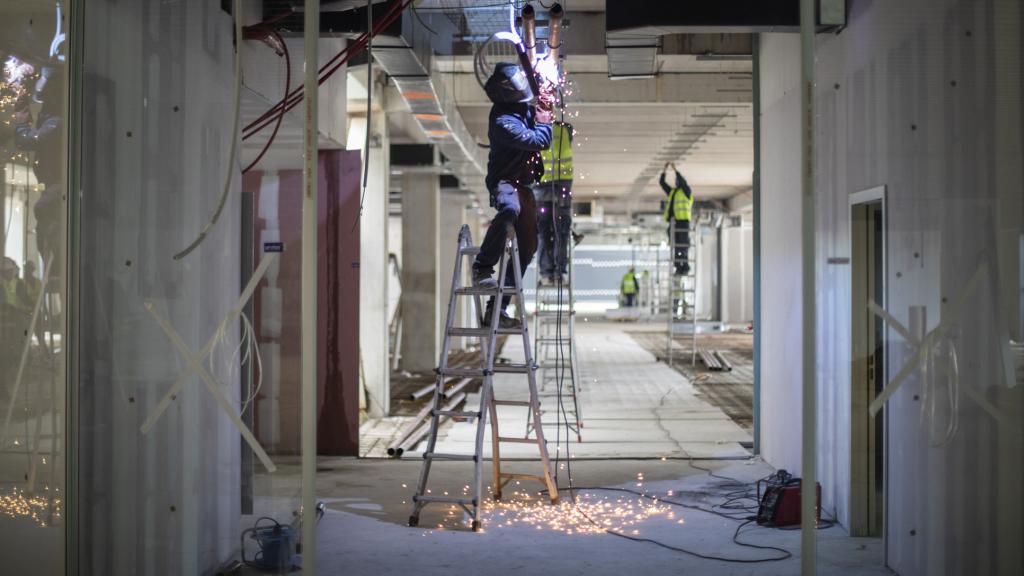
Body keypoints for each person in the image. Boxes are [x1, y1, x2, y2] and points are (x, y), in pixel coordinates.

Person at [472, 61, 557, 328]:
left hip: (524, 186)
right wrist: (544, 118)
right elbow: (539, 141)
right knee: (509, 210)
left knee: (529, 247)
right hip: (504, 182)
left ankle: (497, 311)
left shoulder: (519, 109)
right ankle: (483, 267)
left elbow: (538, 113)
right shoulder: (502, 121)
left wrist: (546, 100)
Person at [534, 121, 573, 286]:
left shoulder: (532, 128)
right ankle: (558, 272)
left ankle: (546, 272)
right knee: (561, 233)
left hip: (540, 186)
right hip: (562, 185)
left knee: (543, 233)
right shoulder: (565, 128)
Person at [660, 162, 694, 276]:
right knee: (675, 244)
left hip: (683, 222)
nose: (676, 182)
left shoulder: (686, 192)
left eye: (677, 181)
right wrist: (664, 171)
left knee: (682, 245)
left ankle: (684, 266)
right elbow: (662, 183)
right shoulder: (673, 192)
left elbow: (683, 182)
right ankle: (679, 266)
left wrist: (675, 170)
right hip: (674, 222)